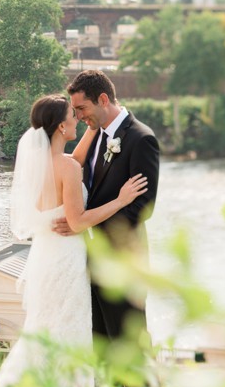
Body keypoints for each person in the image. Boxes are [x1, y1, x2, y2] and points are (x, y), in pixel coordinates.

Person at [0, 94, 148, 387]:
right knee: (69, 329)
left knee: (45, 327)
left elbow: (73, 160)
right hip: (67, 259)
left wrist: (94, 124)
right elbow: (77, 222)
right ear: (62, 126)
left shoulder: (40, 166)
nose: (78, 118)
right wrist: (122, 199)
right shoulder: (68, 168)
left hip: (45, 258)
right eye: (73, 116)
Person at [58, 70, 160, 367]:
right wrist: (76, 219)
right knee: (103, 351)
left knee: (131, 347)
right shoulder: (96, 137)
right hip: (90, 260)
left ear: (102, 99)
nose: (77, 117)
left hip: (124, 261)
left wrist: (86, 222)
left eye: (81, 109)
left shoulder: (141, 139)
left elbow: (143, 206)